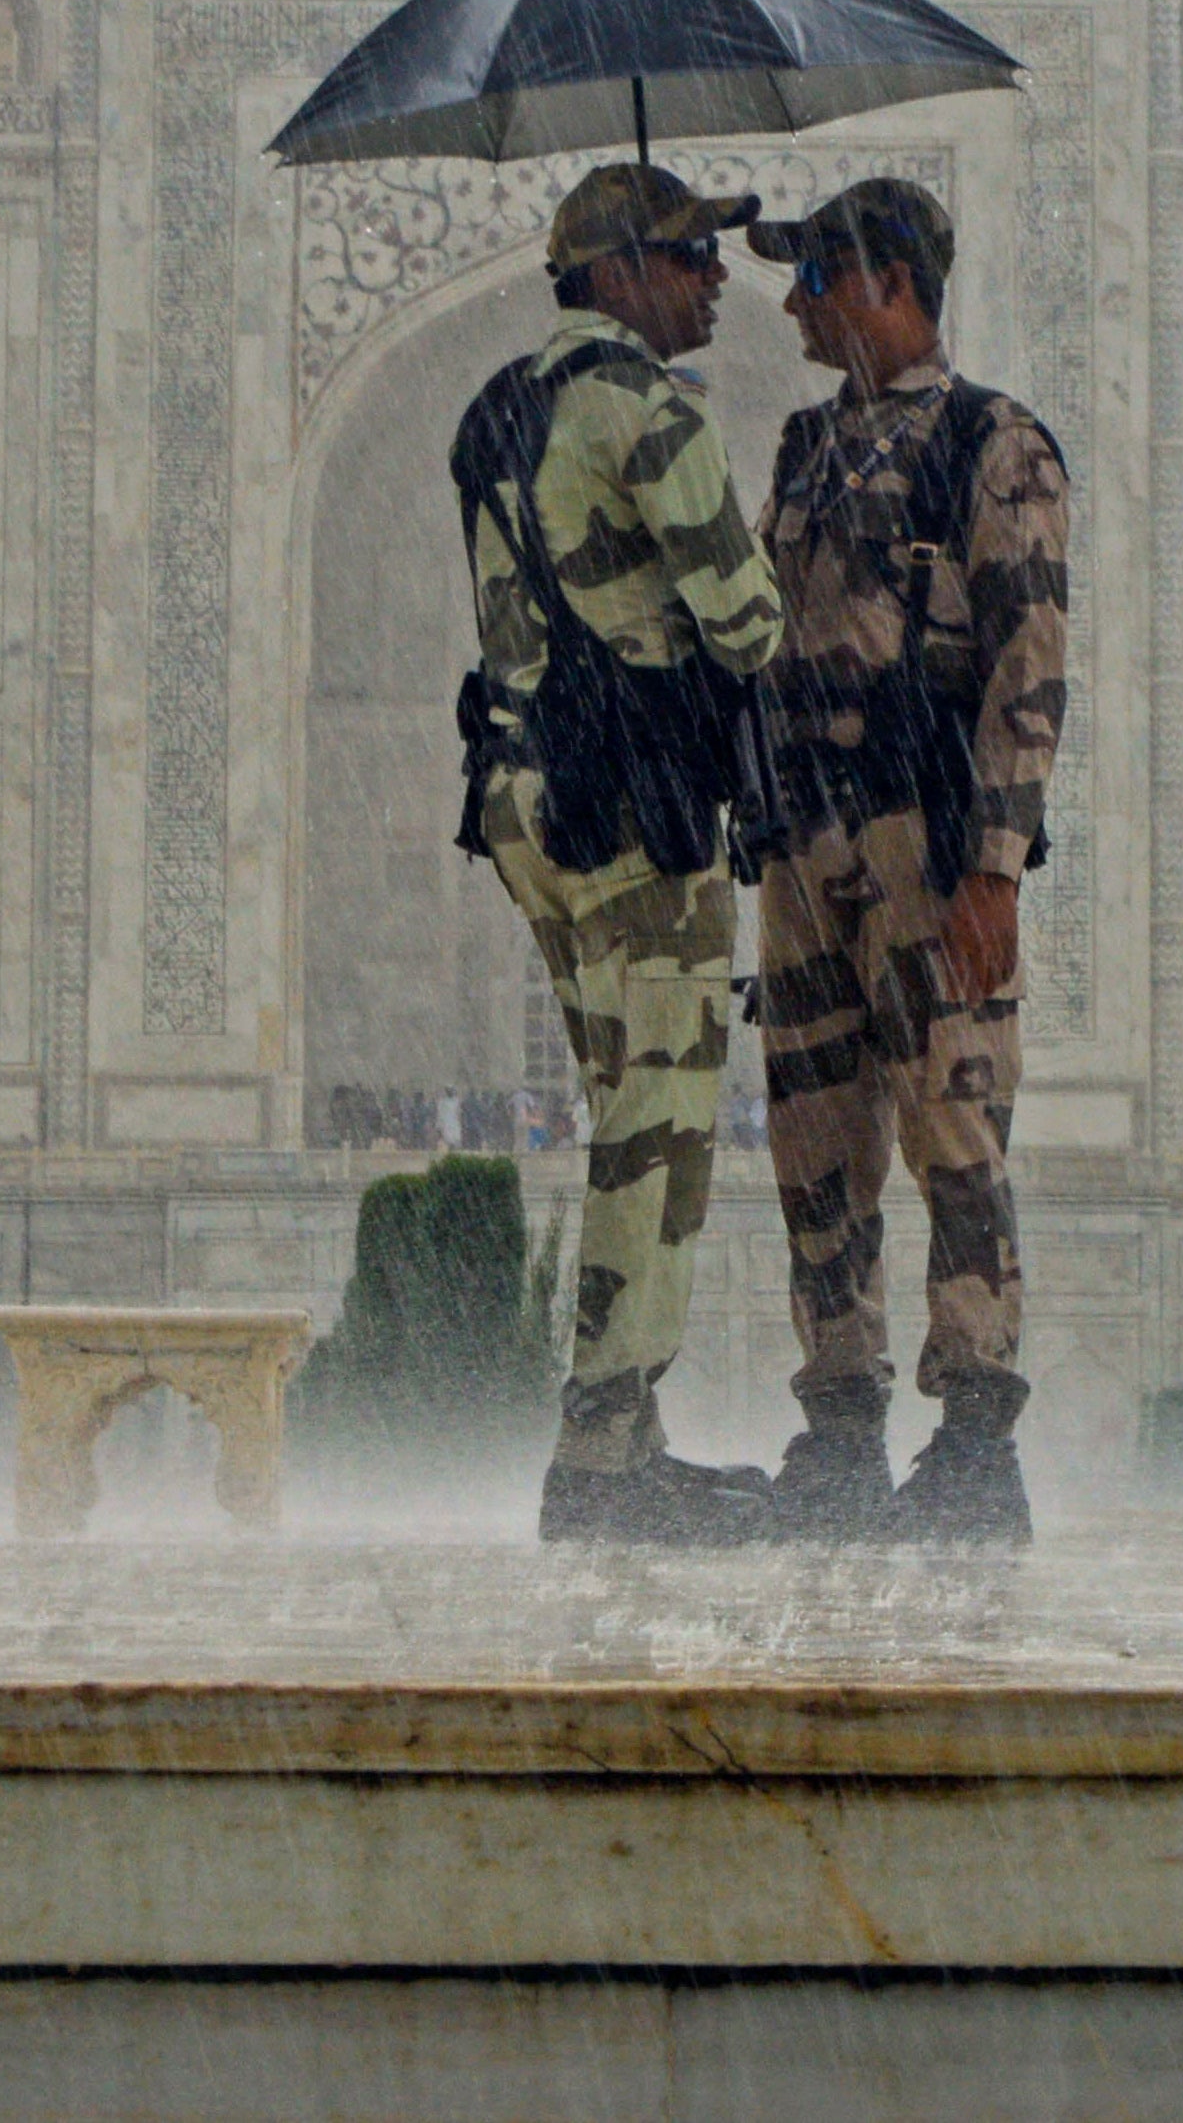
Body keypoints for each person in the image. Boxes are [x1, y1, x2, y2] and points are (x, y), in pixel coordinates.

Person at [448, 159, 790, 1545]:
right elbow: (745, 618)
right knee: (658, 1131)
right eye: (690, 255)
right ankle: (602, 1454)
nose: (716, 279)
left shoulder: (497, 406)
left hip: (525, 796)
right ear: (617, 273)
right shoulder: (640, 405)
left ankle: (624, 1435)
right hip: (636, 807)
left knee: (617, 1116)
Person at [741, 177, 1068, 1543]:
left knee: (951, 1125)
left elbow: (1027, 664)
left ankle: (976, 1435)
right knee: (816, 1140)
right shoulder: (805, 445)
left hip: (924, 843)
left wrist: (994, 861)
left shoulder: (992, 443)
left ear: (884, 280)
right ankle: (839, 1419)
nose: (794, 306)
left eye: (814, 277)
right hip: (803, 838)